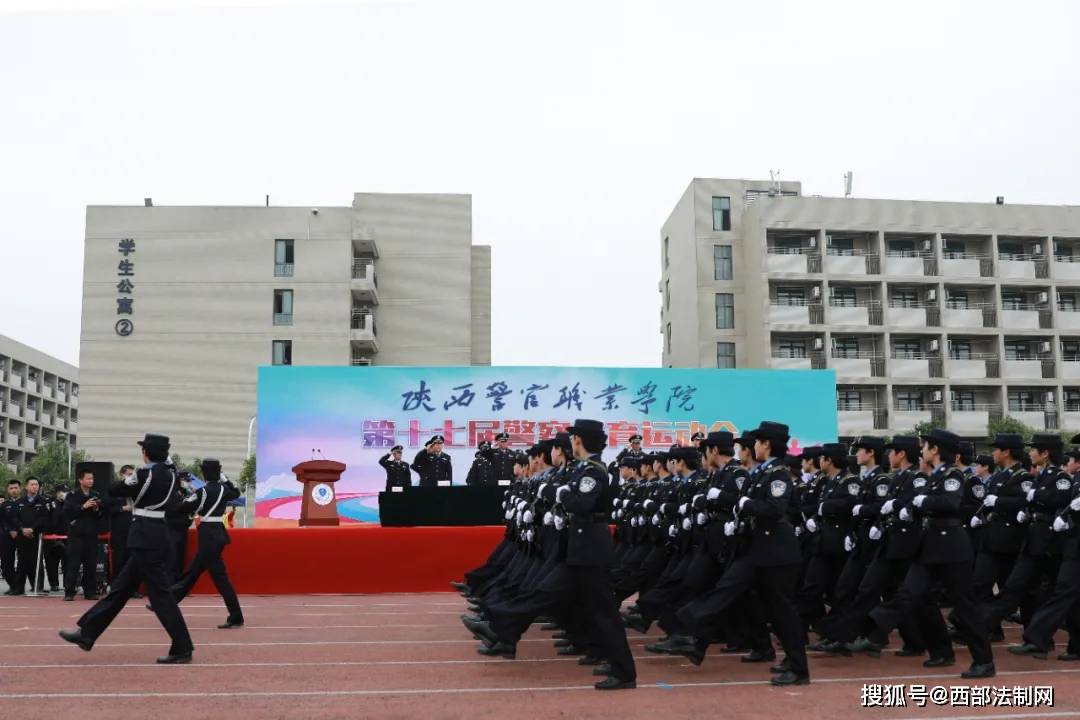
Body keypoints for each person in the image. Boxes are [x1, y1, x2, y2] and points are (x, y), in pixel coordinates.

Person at [856, 428, 995, 679]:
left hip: (952, 547)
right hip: (931, 545)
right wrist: (910, 508)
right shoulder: (935, 476)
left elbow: (950, 504)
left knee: (965, 607)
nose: (921, 450)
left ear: (935, 450)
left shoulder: (952, 475)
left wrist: (923, 503)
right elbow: (926, 503)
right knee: (912, 594)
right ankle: (934, 648)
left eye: (925, 446)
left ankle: (984, 661)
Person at [59, 433, 195, 664]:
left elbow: (114, 489)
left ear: (146, 453)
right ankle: (88, 633)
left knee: (160, 596)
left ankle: (182, 646)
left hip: (144, 535)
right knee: (121, 589)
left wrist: (129, 479)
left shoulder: (143, 473)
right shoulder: (172, 474)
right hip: (156, 533)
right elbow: (170, 468)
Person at [159, 459, 244, 629]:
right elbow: (236, 492)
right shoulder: (223, 490)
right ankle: (167, 602)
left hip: (208, 536)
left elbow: (182, 508)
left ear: (204, 473)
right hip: (218, 534)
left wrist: (182, 494)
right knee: (196, 573)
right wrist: (225, 479)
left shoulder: (202, 491)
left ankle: (166, 602)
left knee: (212, 577)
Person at [62, 470, 104, 601]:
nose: (91, 481)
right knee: (73, 564)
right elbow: (67, 512)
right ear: (81, 480)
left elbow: (101, 515)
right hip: (76, 535)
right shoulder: (72, 495)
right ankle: (69, 592)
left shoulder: (95, 494)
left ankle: (90, 591)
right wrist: (83, 506)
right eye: (88, 479)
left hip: (91, 534)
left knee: (90, 564)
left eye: (92, 478)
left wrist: (97, 509)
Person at [11, 477, 50, 595]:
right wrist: (23, 529)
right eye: (32, 484)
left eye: (36, 485)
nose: (35, 487)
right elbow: (15, 518)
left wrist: (32, 529)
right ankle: (18, 588)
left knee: (36, 562)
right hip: (22, 535)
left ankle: (37, 587)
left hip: (36, 536)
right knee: (22, 562)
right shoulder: (19, 502)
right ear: (26, 487)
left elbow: (44, 518)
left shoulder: (43, 501)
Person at [108, 465, 137, 596]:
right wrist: (122, 509)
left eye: (133, 474)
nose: (131, 477)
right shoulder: (115, 489)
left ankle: (131, 589)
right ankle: (116, 588)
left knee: (131, 562)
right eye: (129, 474)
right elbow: (107, 509)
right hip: (119, 531)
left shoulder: (135, 491)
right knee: (119, 560)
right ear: (122, 474)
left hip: (133, 530)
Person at [1, 479, 21, 593]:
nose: (14, 490)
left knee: (23, 563)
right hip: (7, 536)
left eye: (16, 488)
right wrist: (10, 531)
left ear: (20, 488)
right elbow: (2, 521)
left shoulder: (25, 503)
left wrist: (19, 530)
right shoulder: (4, 505)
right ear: (8, 490)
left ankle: (19, 586)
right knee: (6, 563)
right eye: (11, 488)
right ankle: (12, 585)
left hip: (22, 535)